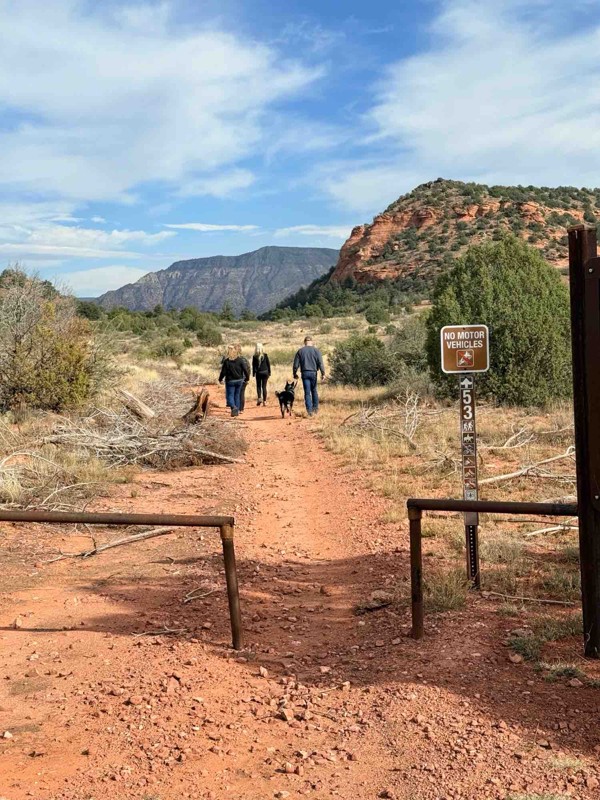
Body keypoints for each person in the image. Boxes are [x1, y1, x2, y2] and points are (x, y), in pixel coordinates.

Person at [293, 335, 325, 417]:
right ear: (312, 342)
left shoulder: (300, 351)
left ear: (304, 342)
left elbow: (295, 365)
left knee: (307, 392)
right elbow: (320, 363)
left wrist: (294, 373)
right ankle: (315, 409)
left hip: (305, 373)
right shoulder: (316, 351)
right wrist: (323, 373)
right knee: (314, 390)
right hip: (313, 373)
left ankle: (309, 411)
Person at [219, 344, 249, 416]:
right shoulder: (240, 360)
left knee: (230, 395)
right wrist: (247, 378)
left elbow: (223, 372)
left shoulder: (226, 361)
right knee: (237, 395)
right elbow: (245, 370)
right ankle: (237, 410)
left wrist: (220, 379)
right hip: (239, 380)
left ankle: (233, 407)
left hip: (230, 381)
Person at [234, 343, 250, 413]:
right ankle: (241, 409)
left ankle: (237, 409)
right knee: (242, 394)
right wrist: (247, 378)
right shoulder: (245, 359)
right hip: (244, 379)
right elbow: (248, 369)